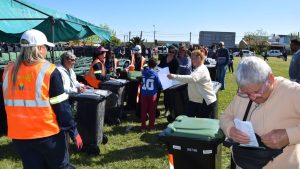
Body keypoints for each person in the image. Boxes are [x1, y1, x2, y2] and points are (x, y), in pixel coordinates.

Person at [2, 29, 82, 169]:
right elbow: (62, 108)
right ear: (39, 48)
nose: (45, 50)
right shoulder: (49, 70)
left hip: (20, 136)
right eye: (45, 47)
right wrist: (73, 130)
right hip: (47, 135)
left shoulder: (8, 70)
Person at [220, 56, 300, 169]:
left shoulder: (293, 92)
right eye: (246, 93)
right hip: (243, 163)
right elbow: (225, 117)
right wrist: (230, 130)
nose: (252, 97)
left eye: (256, 91)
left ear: (270, 79)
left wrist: (289, 135)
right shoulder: (242, 93)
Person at [167, 49, 217, 118]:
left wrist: (174, 76)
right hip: (196, 101)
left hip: (205, 102)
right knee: (189, 119)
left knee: (201, 124)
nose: (191, 61)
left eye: (193, 58)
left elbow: (192, 79)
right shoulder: (197, 68)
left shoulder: (201, 69)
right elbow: (189, 79)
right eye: (191, 58)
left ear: (199, 58)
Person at [140, 58, 162, 131]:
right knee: (152, 111)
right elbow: (159, 84)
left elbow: (141, 81)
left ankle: (143, 126)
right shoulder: (155, 74)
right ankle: (151, 126)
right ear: (155, 65)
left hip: (144, 94)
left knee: (143, 111)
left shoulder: (143, 72)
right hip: (152, 94)